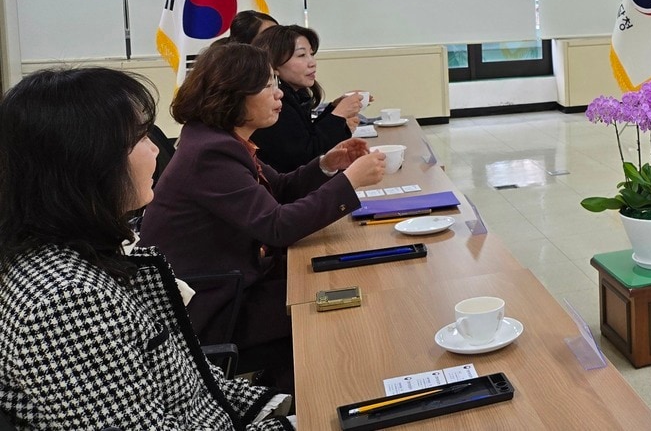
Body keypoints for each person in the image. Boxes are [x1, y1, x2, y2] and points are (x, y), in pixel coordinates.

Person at [0, 67, 294, 428]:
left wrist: (288, 411)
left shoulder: (84, 252)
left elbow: (192, 384)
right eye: (140, 137)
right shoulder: (64, 302)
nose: (155, 148)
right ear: (86, 162)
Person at [141, 43, 385, 392]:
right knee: (331, 302)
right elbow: (277, 226)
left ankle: (287, 394)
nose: (278, 94)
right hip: (214, 306)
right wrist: (350, 182)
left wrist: (327, 164)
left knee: (336, 284)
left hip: (233, 282)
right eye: (267, 85)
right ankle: (299, 399)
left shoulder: (219, 140)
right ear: (232, 94)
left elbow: (279, 188)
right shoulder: (211, 153)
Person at [250, 24, 367, 172]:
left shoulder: (297, 94)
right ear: (275, 65)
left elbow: (309, 136)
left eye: (311, 54)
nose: (312, 62)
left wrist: (334, 108)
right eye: (301, 55)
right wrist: (339, 115)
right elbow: (306, 158)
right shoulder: (274, 102)